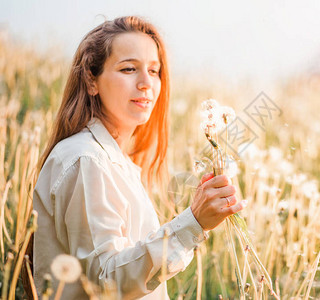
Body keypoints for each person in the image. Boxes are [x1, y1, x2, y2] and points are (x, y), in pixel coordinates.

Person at [32, 16, 247, 299]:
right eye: (129, 68)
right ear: (90, 80)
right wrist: (192, 223)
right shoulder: (87, 160)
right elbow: (106, 281)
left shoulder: (112, 160)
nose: (146, 83)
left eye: (155, 71)